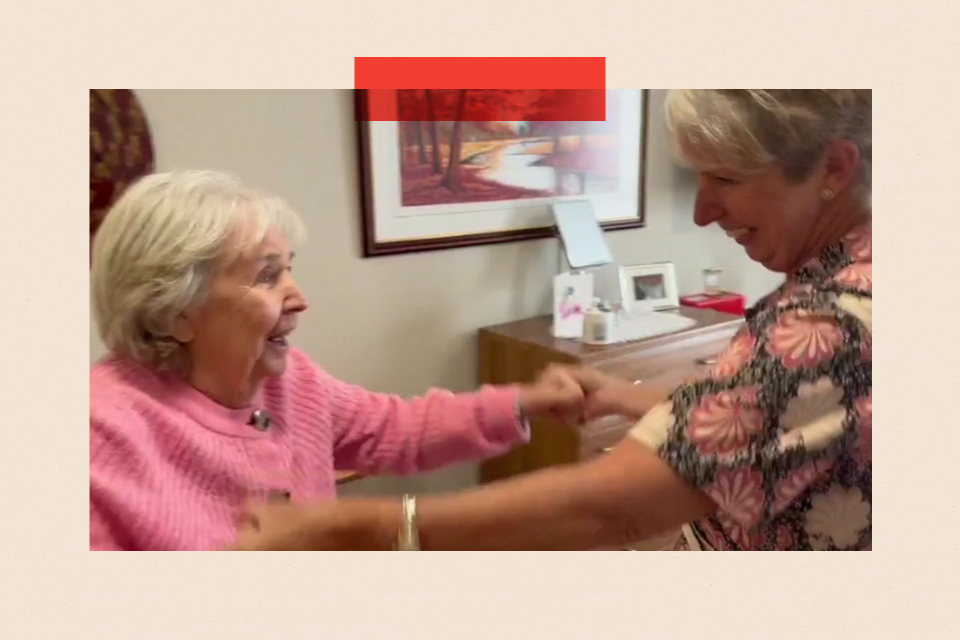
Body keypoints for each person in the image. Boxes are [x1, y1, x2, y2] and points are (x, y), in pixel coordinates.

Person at [230, 90, 872, 551]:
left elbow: (609, 508)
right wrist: (622, 395)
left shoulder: (828, 321)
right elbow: (776, 404)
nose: (702, 210)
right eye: (267, 274)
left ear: (835, 169)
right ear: (171, 311)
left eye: (726, 178)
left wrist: (363, 528)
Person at [89, 170, 585, 550]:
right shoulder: (100, 441)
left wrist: (525, 402)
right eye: (267, 277)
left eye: (289, 270)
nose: (299, 297)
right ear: (174, 311)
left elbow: (399, 428)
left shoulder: (290, 383)